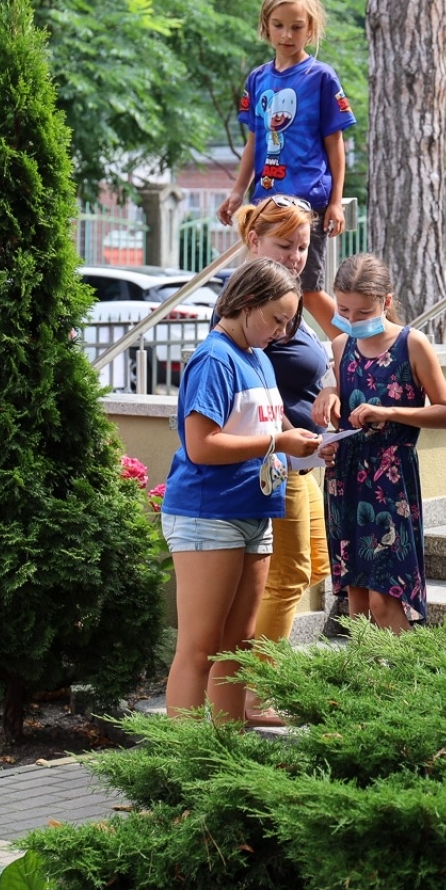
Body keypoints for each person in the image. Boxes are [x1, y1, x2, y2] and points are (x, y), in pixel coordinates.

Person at [162, 258, 323, 722]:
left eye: (289, 322)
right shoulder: (215, 358)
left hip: (254, 511)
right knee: (200, 647)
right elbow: (201, 445)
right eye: (276, 319)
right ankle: (183, 762)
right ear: (247, 304)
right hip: (208, 514)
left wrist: (310, 445)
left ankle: (228, 757)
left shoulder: (256, 358)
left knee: (240, 645)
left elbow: (274, 424)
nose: (281, 330)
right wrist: (279, 442)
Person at [313, 253, 446, 632]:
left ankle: (410, 681)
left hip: (390, 480)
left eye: (363, 312)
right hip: (345, 478)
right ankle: (370, 683)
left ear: (386, 302)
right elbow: (340, 407)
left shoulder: (413, 343)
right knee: (357, 600)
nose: (352, 319)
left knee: (384, 598)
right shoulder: (341, 346)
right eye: (344, 309)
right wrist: (328, 403)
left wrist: (390, 413)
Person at [217, 0, 356, 339]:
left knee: (308, 287)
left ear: (310, 29)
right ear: (266, 26)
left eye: (297, 27)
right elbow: (254, 139)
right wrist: (237, 192)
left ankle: (355, 348)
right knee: (265, 282)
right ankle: (268, 344)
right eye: (279, 25)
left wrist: (336, 201)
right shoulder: (258, 79)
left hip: (307, 199)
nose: (287, 34)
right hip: (266, 201)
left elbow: (335, 142)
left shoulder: (321, 77)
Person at [231, 197, 332, 661]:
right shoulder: (250, 307)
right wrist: (293, 436)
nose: (295, 256)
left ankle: (255, 673)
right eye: (284, 245)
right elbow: (254, 387)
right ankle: (254, 687)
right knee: (288, 573)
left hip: (300, 456)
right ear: (254, 241)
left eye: (303, 247)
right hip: (277, 458)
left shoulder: (288, 297)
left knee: (312, 564)